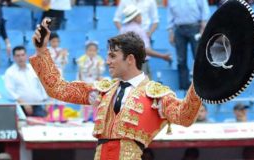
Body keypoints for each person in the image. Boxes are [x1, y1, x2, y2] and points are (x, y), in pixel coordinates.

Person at [30, 18, 202, 160]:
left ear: (130, 59)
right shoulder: (104, 90)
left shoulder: (156, 94)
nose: (107, 61)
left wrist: (201, 82)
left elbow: (184, 116)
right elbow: (58, 89)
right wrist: (41, 51)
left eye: (113, 56)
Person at [167, 0, 210, 90]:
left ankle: (202, 86)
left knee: (199, 58)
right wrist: (170, 32)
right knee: (180, 60)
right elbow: (170, 14)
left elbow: (204, 10)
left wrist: (203, 27)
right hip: (179, 29)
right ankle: (184, 87)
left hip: (195, 27)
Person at [120, 5, 171, 78]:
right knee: (143, 87)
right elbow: (144, 50)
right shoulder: (139, 30)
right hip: (140, 65)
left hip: (127, 64)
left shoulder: (123, 29)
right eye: (140, 15)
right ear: (136, 17)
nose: (141, 18)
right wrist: (162, 56)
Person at [4, 46, 48, 117]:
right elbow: (10, 91)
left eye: (22, 55)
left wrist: (46, 102)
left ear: (26, 56)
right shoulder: (10, 72)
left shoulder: (34, 69)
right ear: (14, 58)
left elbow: (42, 86)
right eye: (18, 56)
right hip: (20, 107)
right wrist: (24, 104)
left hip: (37, 106)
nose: (20, 58)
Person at [77, 40, 105, 123]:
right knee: (86, 100)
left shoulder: (99, 60)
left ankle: (94, 117)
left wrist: (99, 80)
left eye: (94, 50)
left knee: (95, 100)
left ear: (97, 51)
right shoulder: (82, 60)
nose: (92, 52)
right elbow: (81, 72)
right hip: (85, 81)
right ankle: (85, 118)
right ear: (86, 51)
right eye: (90, 50)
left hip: (95, 82)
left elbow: (100, 73)